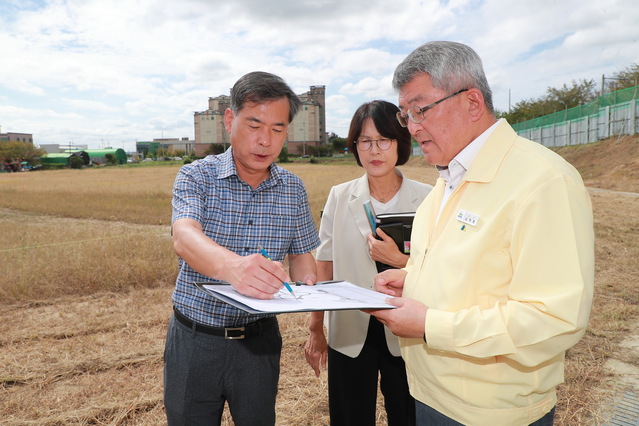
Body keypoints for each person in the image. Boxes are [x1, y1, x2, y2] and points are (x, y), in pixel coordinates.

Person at [368, 41, 595, 425]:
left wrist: (429, 324)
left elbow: (554, 319)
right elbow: (475, 271)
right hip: (429, 394)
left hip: (491, 413)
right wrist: (412, 280)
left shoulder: (543, 181)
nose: (413, 127)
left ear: (472, 102)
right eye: (406, 114)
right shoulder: (446, 182)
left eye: (420, 109)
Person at [164, 71, 320, 426]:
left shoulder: (292, 189)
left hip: (259, 343)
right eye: (254, 125)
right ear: (230, 120)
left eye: (277, 129)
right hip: (195, 340)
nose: (265, 140)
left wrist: (309, 285)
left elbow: (301, 256)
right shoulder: (195, 176)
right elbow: (184, 236)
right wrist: (233, 268)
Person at [304, 100, 432, 425]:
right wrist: (316, 328)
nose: (375, 150)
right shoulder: (339, 195)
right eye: (365, 141)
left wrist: (399, 260)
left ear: (400, 143)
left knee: (409, 416)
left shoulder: (430, 197)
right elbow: (325, 266)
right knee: (350, 417)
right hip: (350, 329)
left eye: (384, 140)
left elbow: (442, 268)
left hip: (408, 330)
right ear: (356, 147)